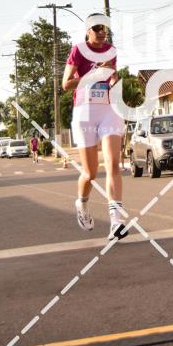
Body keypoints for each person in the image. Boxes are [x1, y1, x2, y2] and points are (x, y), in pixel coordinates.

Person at [62, 13, 127, 240]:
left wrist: (114, 80)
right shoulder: (78, 50)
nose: (101, 32)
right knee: (90, 173)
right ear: (88, 31)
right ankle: (81, 203)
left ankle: (116, 222)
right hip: (85, 111)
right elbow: (66, 84)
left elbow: (112, 78)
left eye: (104, 28)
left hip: (108, 109)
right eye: (97, 28)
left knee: (113, 164)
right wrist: (93, 75)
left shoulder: (111, 51)